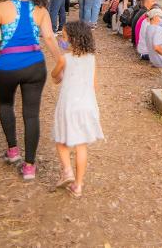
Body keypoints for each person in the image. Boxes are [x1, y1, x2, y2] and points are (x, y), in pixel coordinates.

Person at [0, 0, 65, 181]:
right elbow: (49, 38)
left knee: (6, 105)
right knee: (32, 114)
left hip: (7, 65)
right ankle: (29, 166)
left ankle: (13, 151)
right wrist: (60, 62)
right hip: (35, 66)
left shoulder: (3, 7)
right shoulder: (41, 10)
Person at [51, 21, 103, 198]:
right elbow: (95, 85)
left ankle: (67, 170)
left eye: (64, 37)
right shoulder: (92, 59)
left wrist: (61, 74)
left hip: (68, 105)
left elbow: (54, 77)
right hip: (87, 105)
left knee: (61, 139)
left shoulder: (64, 59)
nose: (62, 40)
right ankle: (78, 185)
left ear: (72, 39)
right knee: (81, 146)